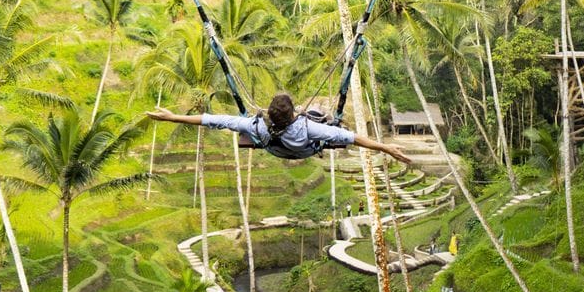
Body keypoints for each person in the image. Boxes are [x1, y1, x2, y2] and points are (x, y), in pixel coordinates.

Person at [147, 92, 411, 163]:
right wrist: (386, 148)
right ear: (294, 113)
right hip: (306, 148)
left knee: (234, 122)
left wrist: (173, 117)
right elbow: (352, 138)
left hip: (275, 148)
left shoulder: (256, 125)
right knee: (321, 115)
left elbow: (212, 119)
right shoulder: (310, 127)